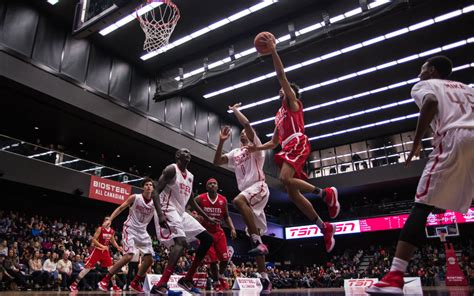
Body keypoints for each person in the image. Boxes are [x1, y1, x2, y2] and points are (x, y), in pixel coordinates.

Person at [366, 56, 474, 294]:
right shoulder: (467, 88)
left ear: (432, 71)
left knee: (422, 205)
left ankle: (395, 276)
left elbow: (431, 102)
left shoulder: (426, 86)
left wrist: (416, 143)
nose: (418, 74)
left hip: (454, 137)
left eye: (421, 69)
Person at [246, 33, 339, 252]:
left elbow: (280, 75)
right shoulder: (278, 115)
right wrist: (255, 147)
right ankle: (323, 226)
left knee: (284, 178)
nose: (283, 89)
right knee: (292, 193)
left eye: (287, 88)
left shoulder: (293, 103)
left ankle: (326, 194)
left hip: (298, 142)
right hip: (287, 147)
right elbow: (273, 142)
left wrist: (273, 51)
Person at [213, 104, 273, 293]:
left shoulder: (257, 148)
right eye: (241, 135)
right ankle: (265, 279)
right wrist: (222, 141)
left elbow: (247, 124)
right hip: (248, 194)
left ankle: (258, 241)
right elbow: (216, 161)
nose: (244, 135)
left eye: (247, 133)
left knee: (238, 201)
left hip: (258, 187)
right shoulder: (236, 153)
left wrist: (235, 110)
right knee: (256, 241)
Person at [150, 148, 217, 295]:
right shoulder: (171, 169)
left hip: (180, 213)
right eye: (185, 151)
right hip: (167, 209)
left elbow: (192, 201)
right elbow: (155, 192)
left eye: (189, 152)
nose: (188, 153)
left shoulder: (191, 176)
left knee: (207, 239)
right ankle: (161, 284)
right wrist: (160, 215)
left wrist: (207, 217)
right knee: (180, 243)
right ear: (178, 155)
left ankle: (187, 279)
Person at [97, 178, 157, 293]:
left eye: (151, 185)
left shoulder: (155, 202)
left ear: (153, 188)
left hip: (143, 232)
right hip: (130, 229)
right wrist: (110, 219)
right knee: (129, 256)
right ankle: (105, 279)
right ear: (143, 187)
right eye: (146, 184)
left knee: (149, 260)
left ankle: (135, 282)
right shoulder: (135, 197)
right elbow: (121, 208)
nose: (149, 186)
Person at [194, 178, 237, 292]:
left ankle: (221, 276)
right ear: (206, 187)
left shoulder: (223, 199)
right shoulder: (200, 198)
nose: (212, 185)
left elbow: (227, 216)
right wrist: (194, 216)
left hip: (218, 232)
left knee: (225, 259)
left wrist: (232, 228)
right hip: (205, 233)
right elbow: (189, 208)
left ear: (217, 186)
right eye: (210, 184)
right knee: (213, 260)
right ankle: (216, 282)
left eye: (214, 183)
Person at [69, 217, 122, 292]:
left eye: (109, 220)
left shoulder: (112, 231)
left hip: (105, 252)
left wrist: (117, 247)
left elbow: (112, 240)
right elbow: (93, 240)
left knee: (111, 269)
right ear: (104, 221)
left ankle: (114, 286)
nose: (108, 221)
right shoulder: (100, 229)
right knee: (87, 268)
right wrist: (102, 246)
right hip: (97, 251)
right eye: (106, 220)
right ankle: (74, 284)